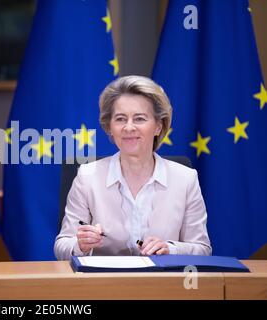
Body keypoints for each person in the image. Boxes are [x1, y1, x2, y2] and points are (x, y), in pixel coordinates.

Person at [54, 75, 212, 260]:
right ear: (110, 128)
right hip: (104, 285)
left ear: (158, 127)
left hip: (165, 285)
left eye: (139, 119)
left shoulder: (186, 179)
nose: (129, 127)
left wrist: (171, 249)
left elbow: (203, 249)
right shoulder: (87, 176)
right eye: (120, 119)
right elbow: (61, 245)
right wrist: (79, 245)